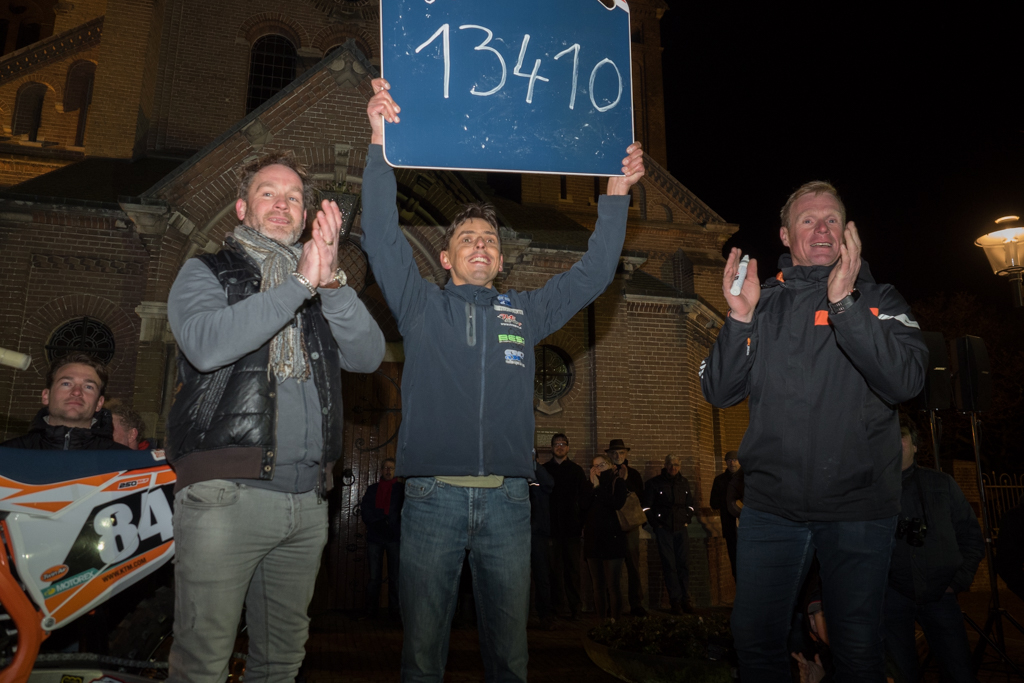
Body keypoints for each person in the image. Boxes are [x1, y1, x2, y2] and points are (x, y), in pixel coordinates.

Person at [357, 77, 645, 682]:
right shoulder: (420, 306)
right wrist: (379, 144)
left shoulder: (525, 312)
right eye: (467, 238)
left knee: (511, 661)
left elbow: (593, 275)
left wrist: (615, 194)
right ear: (446, 258)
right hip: (431, 500)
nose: (480, 245)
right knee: (422, 658)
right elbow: (381, 236)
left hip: (511, 504)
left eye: (489, 239)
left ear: (501, 258)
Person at [165, 150, 385, 683]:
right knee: (203, 665)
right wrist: (298, 287)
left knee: (281, 664)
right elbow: (205, 345)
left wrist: (330, 284)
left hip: (306, 505)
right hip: (225, 498)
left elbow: (368, 356)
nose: (282, 204)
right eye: (268, 193)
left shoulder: (318, 290)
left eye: (294, 197)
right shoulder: (207, 271)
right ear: (242, 208)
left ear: (306, 216)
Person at [700, 181, 928, 681]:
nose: (821, 229)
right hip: (771, 508)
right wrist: (739, 318)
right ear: (786, 235)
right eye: (808, 220)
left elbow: (906, 381)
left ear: (848, 233)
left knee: (857, 648)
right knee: (755, 640)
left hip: (859, 508)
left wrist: (845, 304)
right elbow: (718, 391)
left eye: (832, 220)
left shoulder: (881, 299)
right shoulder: (762, 302)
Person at [884, 418, 984, 683]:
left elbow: (972, 538)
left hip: (941, 595)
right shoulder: (872, 491)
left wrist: (957, 581)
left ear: (915, 445)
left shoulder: (942, 484)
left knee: (960, 673)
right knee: (902, 675)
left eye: (901, 435)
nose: (893, 441)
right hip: (892, 598)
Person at [1, 353, 127, 450]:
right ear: (46, 396)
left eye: (88, 387)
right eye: (66, 384)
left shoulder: (123, 463)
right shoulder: (7, 456)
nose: (77, 392)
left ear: (99, 403)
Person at [542, 433, 589, 621]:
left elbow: (584, 500)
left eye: (563, 444)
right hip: (551, 529)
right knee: (553, 571)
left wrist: (581, 523)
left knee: (573, 571)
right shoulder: (544, 470)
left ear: (568, 447)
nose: (560, 447)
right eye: (556, 444)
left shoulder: (576, 471)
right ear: (551, 448)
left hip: (572, 529)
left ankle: (575, 608)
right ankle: (556, 608)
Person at [645, 454, 696, 614]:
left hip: (681, 528)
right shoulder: (654, 483)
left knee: (683, 564)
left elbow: (690, 504)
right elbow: (646, 507)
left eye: (676, 465)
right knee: (669, 565)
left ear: (680, 466)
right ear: (665, 465)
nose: (673, 467)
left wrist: (687, 518)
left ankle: (685, 599)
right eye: (670, 464)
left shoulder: (684, 482)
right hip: (664, 529)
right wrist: (657, 525)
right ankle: (675, 601)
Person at [581, 454, 629, 623]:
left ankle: (616, 621)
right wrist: (591, 485)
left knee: (613, 585)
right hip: (593, 541)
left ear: (609, 465)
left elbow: (616, 503)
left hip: (613, 540)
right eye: (595, 466)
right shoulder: (589, 484)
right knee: (597, 585)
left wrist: (598, 488)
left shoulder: (617, 483)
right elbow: (583, 506)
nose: (598, 469)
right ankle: (601, 621)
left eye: (601, 465)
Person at [605, 439, 647, 617]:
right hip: (611, 527)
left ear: (626, 454)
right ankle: (613, 605)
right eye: (614, 453)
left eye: (621, 452)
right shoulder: (605, 472)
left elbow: (641, 497)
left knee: (633, 567)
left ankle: (636, 604)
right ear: (609, 455)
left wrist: (625, 480)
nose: (618, 455)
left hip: (630, 526)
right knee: (611, 569)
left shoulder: (634, 474)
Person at [361, 458, 404, 621]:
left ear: (395, 471)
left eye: (391, 468)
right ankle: (371, 611)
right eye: (385, 467)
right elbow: (365, 509)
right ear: (381, 470)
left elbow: (405, 511)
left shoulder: (401, 490)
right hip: (375, 536)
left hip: (394, 537)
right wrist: (377, 523)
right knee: (374, 577)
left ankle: (396, 612)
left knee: (395, 577)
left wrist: (393, 525)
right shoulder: (373, 489)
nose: (388, 470)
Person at [529, 451, 557, 630]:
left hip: (537, 533)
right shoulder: (514, 472)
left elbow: (549, 484)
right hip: (518, 533)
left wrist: (534, 464)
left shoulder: (539, 472)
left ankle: (545, 615)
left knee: (542, 576)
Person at [709, 451, 741, 578]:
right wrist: (729, 501)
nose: (732, 463)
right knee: (734, 559)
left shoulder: (747, 478)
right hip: (729, 525)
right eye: (729, 460)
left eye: (735, 460)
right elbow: (713, 503)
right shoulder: (720, 480)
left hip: (746, 525)